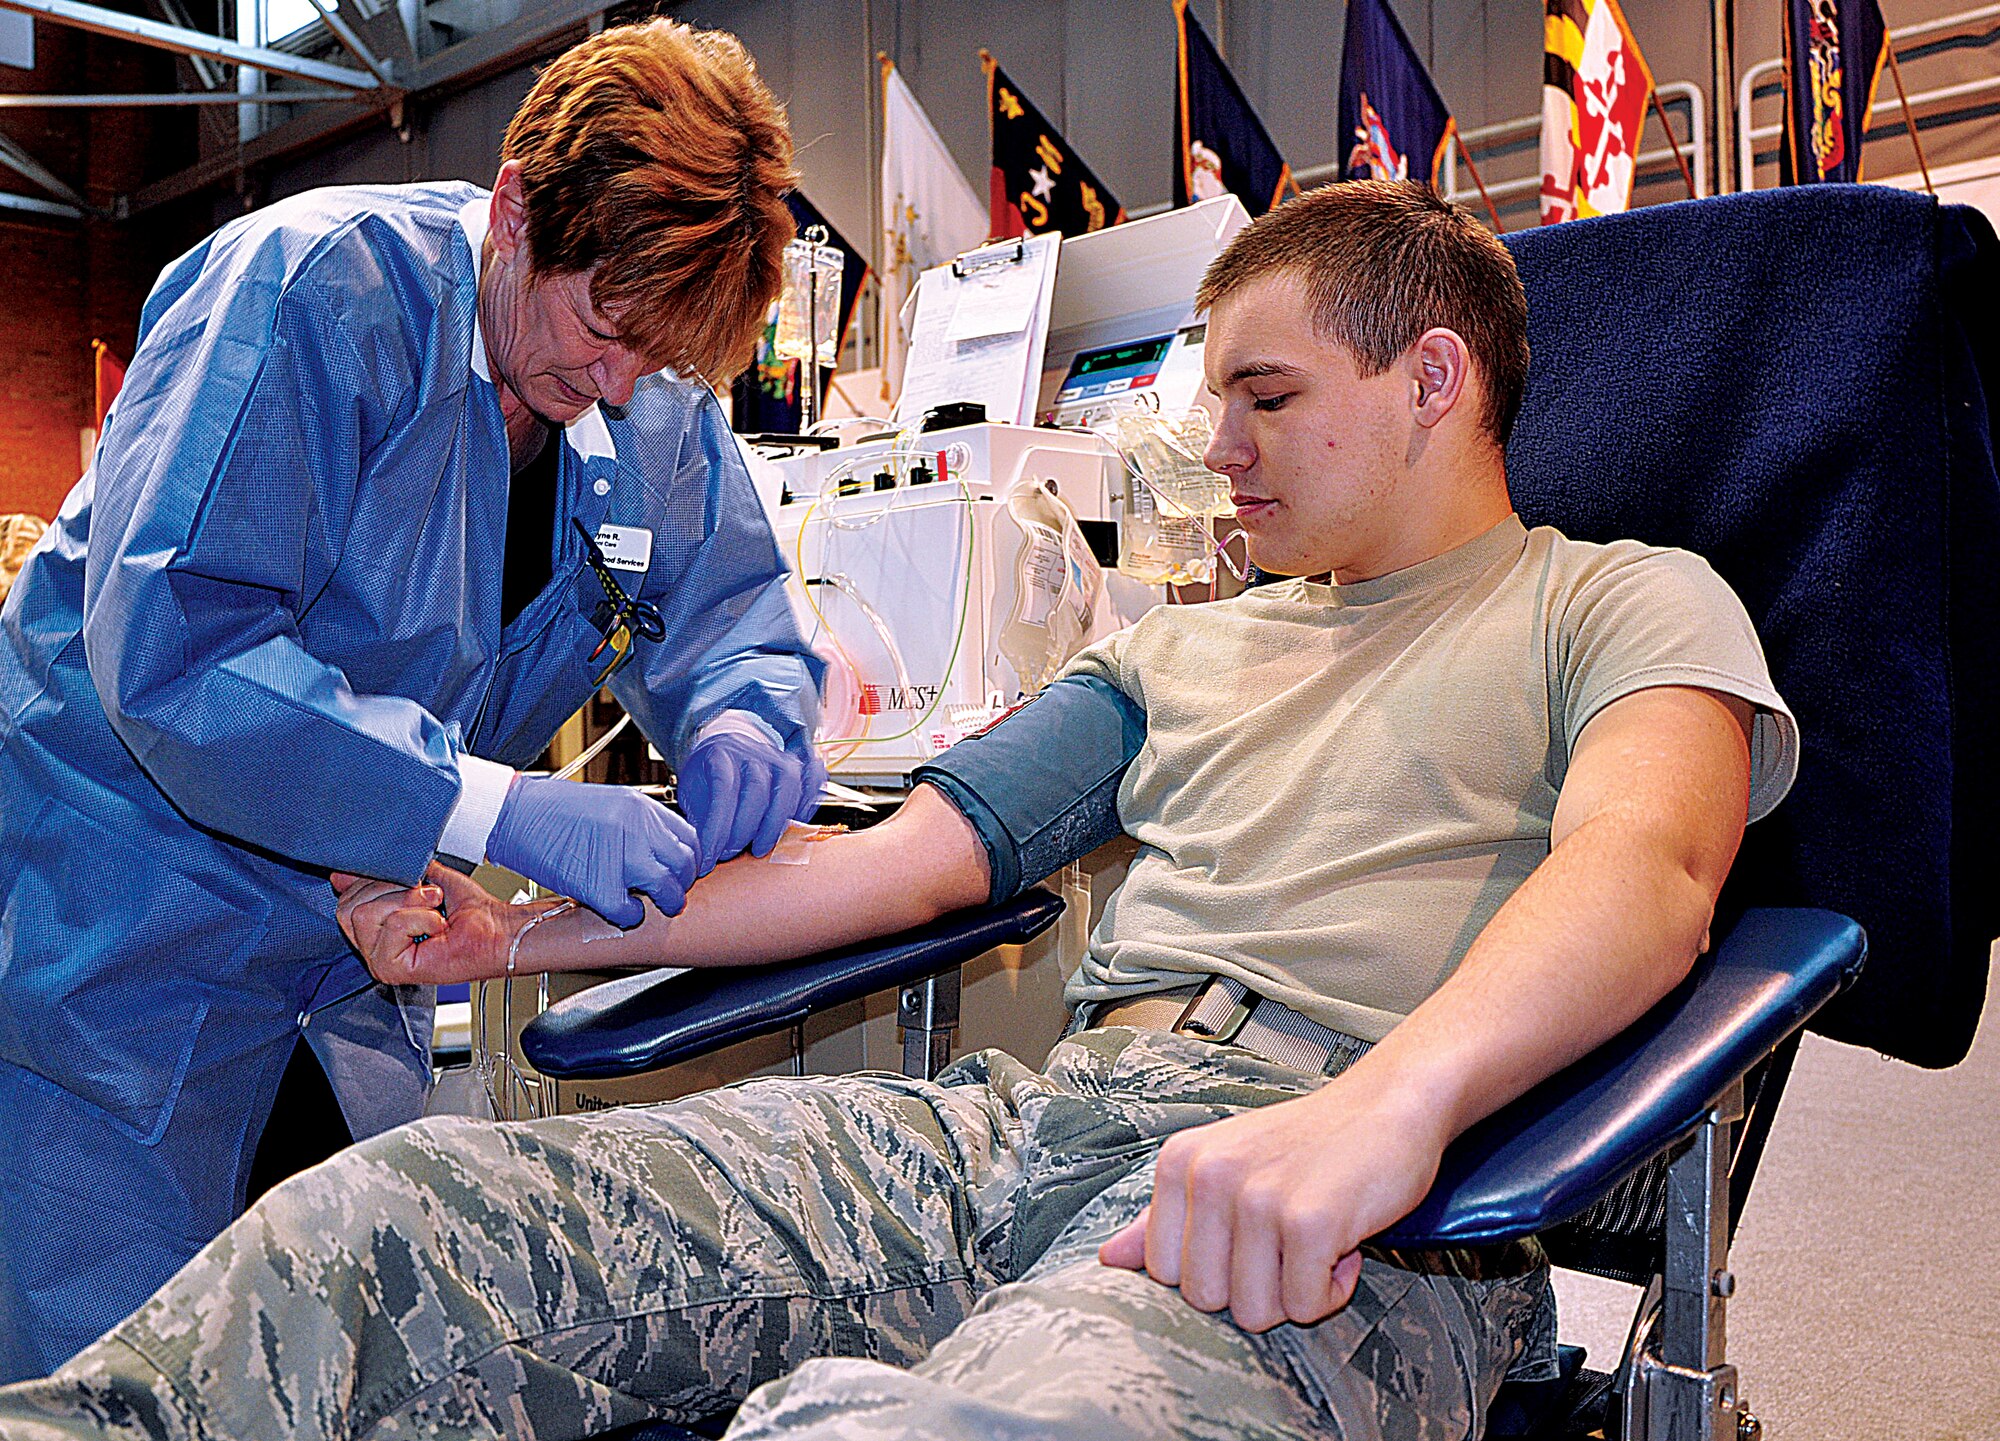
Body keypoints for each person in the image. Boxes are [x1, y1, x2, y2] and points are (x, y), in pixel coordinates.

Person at [0, 180, 1799, 1439]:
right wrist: (509, 921)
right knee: (400, 1226)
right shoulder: (1188, 655)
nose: (1220, 448)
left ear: (1431, 381)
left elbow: (1649, 875)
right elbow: (895, 866)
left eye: (1266, 397)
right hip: (1029, 1135)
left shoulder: (1620, 602)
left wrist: (1381, 1119)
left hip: (1346, 1205)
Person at [0, 20, 828, 1381]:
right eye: (603, 333)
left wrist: (748, 704)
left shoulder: (645, 391)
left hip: (349, 967)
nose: (616, 388)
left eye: (658, 362)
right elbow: (175, 653)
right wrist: (490, 803)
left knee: (334, 1361)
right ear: (513, 208)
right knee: (116, 1383)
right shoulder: (307, 297)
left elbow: (725, 599)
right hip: (123, 942)